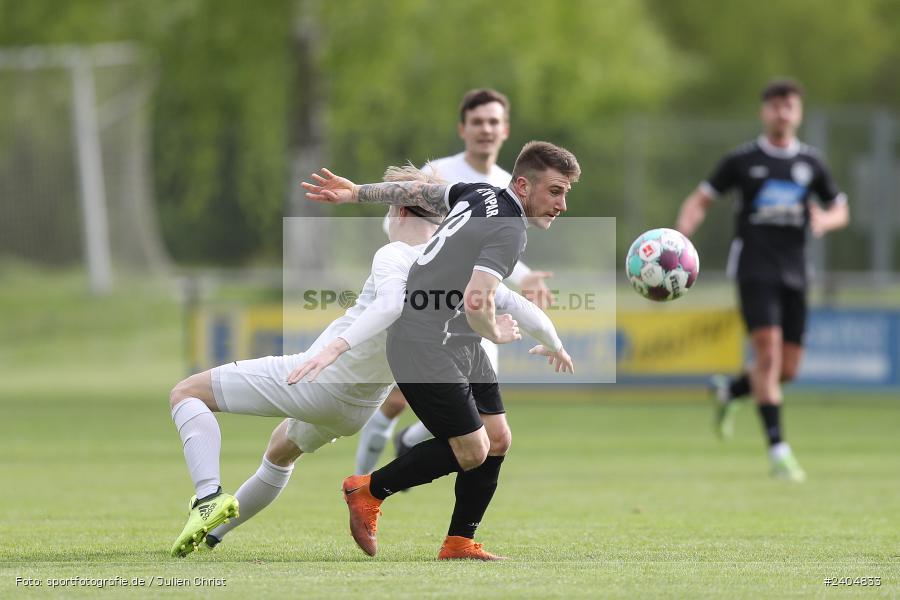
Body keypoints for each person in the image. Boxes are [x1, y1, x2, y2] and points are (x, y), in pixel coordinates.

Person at [167, 167, 568, 558]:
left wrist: (334, 348)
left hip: (319, 381)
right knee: (280, 452)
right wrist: (554, 343)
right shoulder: (451, 263)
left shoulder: (395, 253)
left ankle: (207, 496)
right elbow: (517, 305)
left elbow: (392, 304)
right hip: (358, 408)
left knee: (187, 393)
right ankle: (214, 534)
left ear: (401, 211)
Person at [301, 140, 580, 560]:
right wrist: (498, 334)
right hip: (422, 343)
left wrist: (357, 192)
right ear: (522, 185)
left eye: (565, 194)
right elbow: (477, 299)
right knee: (474, 449)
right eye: (555, 191)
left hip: (456, 340)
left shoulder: (478, 193)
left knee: (498, 438)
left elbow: (415, 192)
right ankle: (368, 490)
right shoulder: (507, 229)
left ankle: (459, 542)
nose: (561, 205)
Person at [355, 88, 554, 475]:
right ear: (463, 128)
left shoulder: (512, 183)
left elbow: (496, 252)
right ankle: (364, 478)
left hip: (473, 313)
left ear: (505, 130)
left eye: (493, 122)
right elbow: (399, 222)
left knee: (477, 420)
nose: (486, 129)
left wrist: (527, 276)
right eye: (477, 122)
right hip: (427, 304)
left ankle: (406, 454)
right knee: (396, 401)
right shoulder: (440, 174)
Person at [676, 78, 849, 482]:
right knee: (767, 356)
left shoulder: (812, 163)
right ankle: (779, 451)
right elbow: (700, 199)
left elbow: (841, 208)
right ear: (764, 112)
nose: (782, 112)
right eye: (774, 106)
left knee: (787, 370)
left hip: (796, 273)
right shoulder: (742, 160)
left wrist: (826, 219)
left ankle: (732, 391)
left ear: (798, 112)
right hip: (755, 269)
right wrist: (682, 235)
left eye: (789, 106)